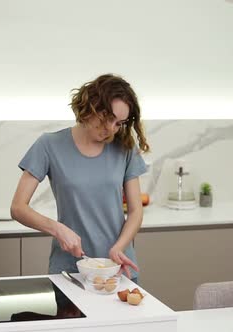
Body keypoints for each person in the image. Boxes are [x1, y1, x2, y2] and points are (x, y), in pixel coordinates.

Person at [10, 74, 149, 283]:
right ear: (90, 106)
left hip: (118, 270)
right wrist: (57, 229)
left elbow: (136, 211)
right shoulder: (49, 145)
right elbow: (18, 208)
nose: (111, 129)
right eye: (108, 118)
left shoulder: (125, 148)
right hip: (70, 271)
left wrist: (120, 247)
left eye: (119, 123)